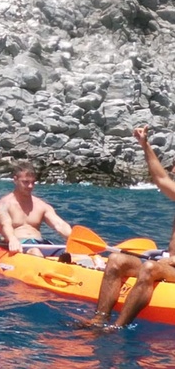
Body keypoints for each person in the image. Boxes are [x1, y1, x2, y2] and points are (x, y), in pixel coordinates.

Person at [87, 126, 175, 329]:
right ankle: (99, 320)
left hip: (168, 267)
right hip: (169, 265)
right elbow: (160, 179)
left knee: (150, 267)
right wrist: (145, 144)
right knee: (116, 260)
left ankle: (117, 326)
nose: (173, 171)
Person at [0, 161, 72, 257]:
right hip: (18, 245)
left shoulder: (41, 205)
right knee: (35, 251)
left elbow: (60, 225)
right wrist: (12, 239)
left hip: (40, 243)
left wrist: (74, 239)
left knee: (74, 254)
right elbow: (5, 225)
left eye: (33, 182)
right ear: (15, 180)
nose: (30, 186)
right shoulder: (3, 204)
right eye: (26, 182)